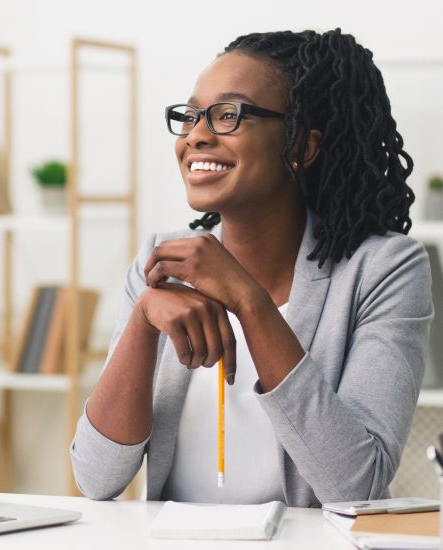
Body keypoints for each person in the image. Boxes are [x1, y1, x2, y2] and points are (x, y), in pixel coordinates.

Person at [70, 29, 433, 507]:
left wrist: (248, 299)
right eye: (190, 115)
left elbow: (356, 487)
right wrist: (142, 320)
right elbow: (95, 479)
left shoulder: (385, 269)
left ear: (302, 144)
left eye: (228, 115)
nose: (197, 134)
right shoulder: (162, 262)